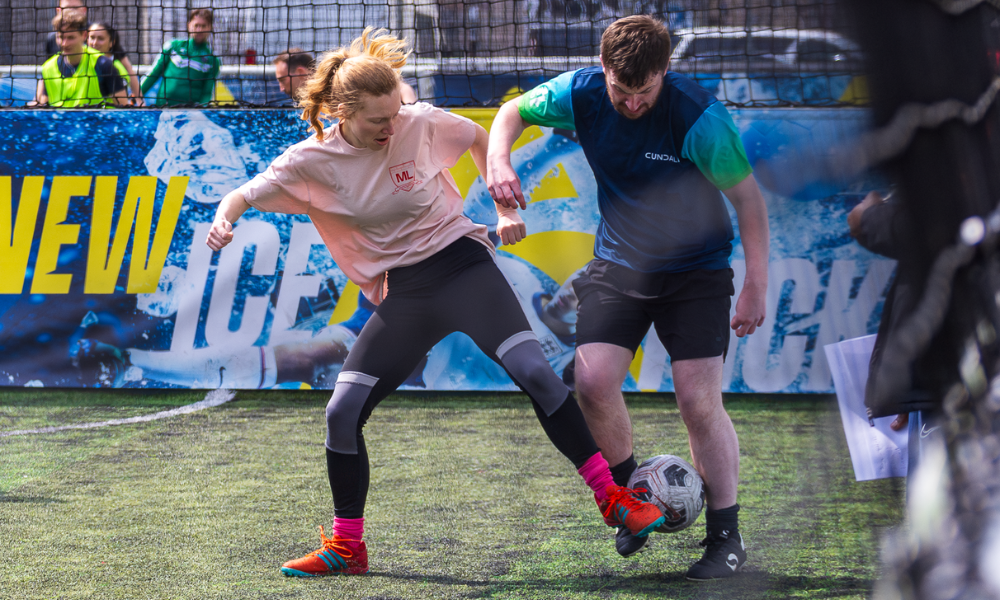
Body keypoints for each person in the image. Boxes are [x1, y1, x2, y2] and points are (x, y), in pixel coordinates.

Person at [205, 27, 666, 577]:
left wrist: (502, 202)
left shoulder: (416, 122)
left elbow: (477, 135)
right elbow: (243, 194)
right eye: (378, 119)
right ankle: (348, 548)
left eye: (395, 113)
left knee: (537, 374)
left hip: (464, 267)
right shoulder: (311, 161)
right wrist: (224, 221)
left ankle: (613, 500)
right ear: (342, 113)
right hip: (407, 292)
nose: (391, 125)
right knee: (341, 412)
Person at [486, 15, 770, 580]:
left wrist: (756, 284)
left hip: (695, 273)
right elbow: (511, 112)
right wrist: (498, 162)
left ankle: (726, 537)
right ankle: (631, 504)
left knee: (697, 402)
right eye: (622, 90)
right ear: (603, 68)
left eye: (645, 91)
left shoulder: (699, 118)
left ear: (664, 71)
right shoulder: (581, 91)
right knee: (591, 384)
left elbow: (749, 202)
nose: (633, 103)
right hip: (619, 265)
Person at [34, 9, 127, 107]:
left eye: (71, 38)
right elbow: (43, 108)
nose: (64, 44)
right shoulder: (48, 68)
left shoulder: (103, 65)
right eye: (61, 37)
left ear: (84, 35)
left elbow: (123, 108)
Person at [273, 48, 418, 105]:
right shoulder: (300, 105)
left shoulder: (338, 83)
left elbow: (401, 87)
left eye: (282, 80)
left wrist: (410, 108)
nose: (281, 88)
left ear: (300, 72)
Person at [140, 8, 220, 106]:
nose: (199, 30)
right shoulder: (173, 46)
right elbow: (153, 74)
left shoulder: (212, 60)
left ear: (210, 27)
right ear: (189, 25)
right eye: (196, 25)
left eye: (203, 26)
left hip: (191, 112)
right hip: (163, 107)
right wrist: (136, 94)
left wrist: (202, 110)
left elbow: (207, 93)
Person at [87, 22, 144, 106]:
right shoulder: (80, 61)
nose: (94, 43)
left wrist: (139, 100)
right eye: (92, 38)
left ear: (111, 42)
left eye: (100, 39)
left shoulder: (116, 67)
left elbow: (122, 104)